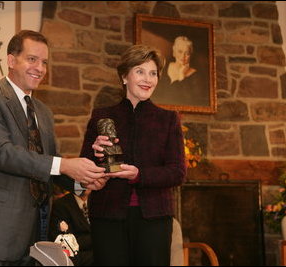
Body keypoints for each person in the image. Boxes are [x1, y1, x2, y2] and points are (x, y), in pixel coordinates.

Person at [0, 30, 107, 266]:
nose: (39, 68)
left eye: (44, 62)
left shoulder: (43, 112)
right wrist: (66, 164)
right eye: (32, 59)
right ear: (11, 60)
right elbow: (2, 153)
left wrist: (85, 181)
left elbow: (51, 165)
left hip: (35, 240)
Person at [80, 44, 187, 265]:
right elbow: (85, 172)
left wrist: (139, 175)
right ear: (124, 76)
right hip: (107, 217)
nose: (148, 79)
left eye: (153, 73)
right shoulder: (101, 117)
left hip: (154, 220)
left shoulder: (168, 120)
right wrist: (94, 151)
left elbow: (177, 173)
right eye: (140, 71)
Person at [152, 36, 209, 106]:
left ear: (190, 55)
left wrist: (181, 76)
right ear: (174, 52)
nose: (183, 56)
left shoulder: (197, 76)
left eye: (187, 53)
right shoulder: (163, 67)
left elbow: (190, 102)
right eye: (180, 51)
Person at [49, 186, 93, 266]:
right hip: (77, 259)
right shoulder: (61, 205)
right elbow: (66, 243)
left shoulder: (99, 201)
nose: (86, 184)